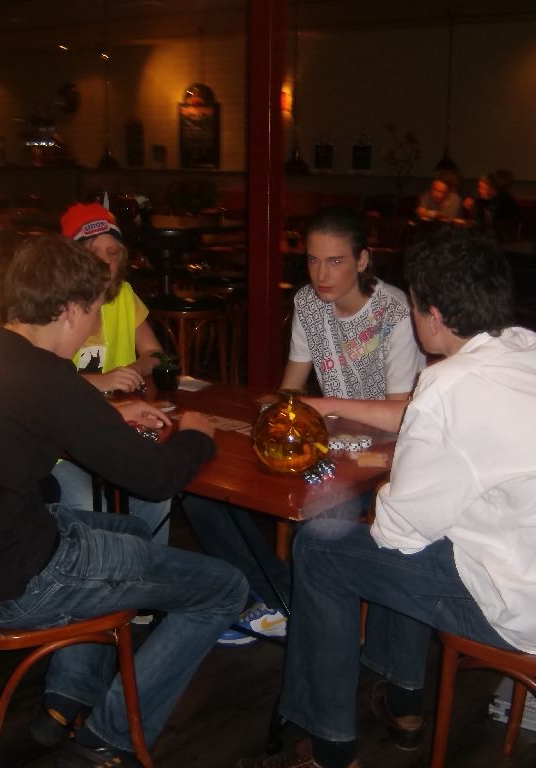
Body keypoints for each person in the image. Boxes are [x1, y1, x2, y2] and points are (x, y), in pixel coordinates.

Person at [241, 228, 536, 768]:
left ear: (432, 315)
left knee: (323, 548)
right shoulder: (535, 350)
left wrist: (391, 491)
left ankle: (328, 748)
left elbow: (396, 534)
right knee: (415, 535)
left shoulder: (448, 385)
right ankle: (402, 700)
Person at [0, 234, 247, 768]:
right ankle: (108, 738)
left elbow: (23, 415)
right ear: (69, 310)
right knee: (225, 587)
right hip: (20, 583)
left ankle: (69, 695)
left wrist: (107, 414)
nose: (94, 325)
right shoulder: (44, 377)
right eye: (94, 311)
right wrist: (198, 434)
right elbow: (155, 480)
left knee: (128, 532)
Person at [181, 207, 425, 645]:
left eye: (335, 261)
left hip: (387, 455)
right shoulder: (308, 303)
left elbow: (398, 413)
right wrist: (273, 414)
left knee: (322, 520)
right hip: (327, 446)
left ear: (363, 260)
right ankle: (279, 597)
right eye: (313, 260)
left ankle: (301, 612)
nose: (321, 274)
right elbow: (291, 387)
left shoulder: (395, 311)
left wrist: (318, 407)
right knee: (203, 491)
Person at [53, 201, 172, 542]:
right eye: (93, 253)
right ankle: (106, 571)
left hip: (115, 432)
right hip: (62, 446)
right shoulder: (51, 303)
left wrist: (134, 367)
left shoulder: (123, 296)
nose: (105, 262)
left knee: (157, 489)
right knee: (90, 507)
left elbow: (157, 355)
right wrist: (97, 380)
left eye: (112, 253)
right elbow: (37, 381)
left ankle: (147, 568)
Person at [463, 169, 518, 237]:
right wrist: (472, 208)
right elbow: (477, 222)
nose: (478, 190)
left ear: (492, 189)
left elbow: (499, 226)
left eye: (482, 188)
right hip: (484, 235)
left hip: (500, 237)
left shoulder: (506, 201)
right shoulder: (481, 201)